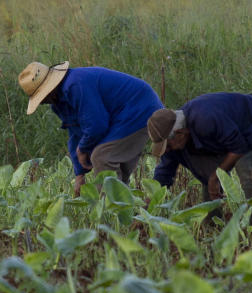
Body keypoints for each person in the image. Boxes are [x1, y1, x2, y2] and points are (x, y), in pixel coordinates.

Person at [17, 61, 163, 196]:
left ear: (49, 89)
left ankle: (112, 212)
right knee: (113, 169)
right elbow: (75, 134)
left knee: (102, 156)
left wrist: (83, 148)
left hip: (140, 108)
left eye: (41, 97)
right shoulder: (59, 103)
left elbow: (97, 125)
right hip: (123, 115)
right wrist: (79, 174)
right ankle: (126, 214)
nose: (42, 102)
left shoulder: (75, 84)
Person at [147, 92, 252, 224]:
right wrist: (150, 205)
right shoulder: (174, 137)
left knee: (246, 165)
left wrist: (215, 176)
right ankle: (213, 221)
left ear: (181, 133)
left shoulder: (205, 120)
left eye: (169, 146)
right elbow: (164, 173)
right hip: (231, 130)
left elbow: (239, 148)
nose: (168, 151)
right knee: (206, 170)